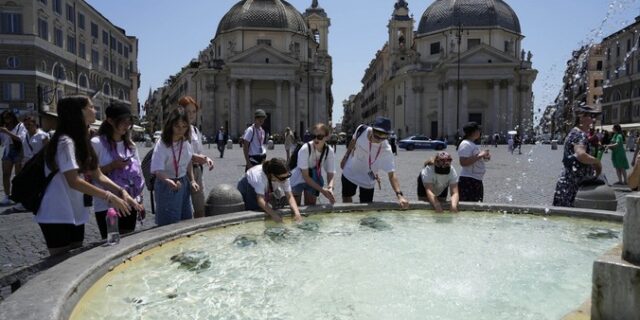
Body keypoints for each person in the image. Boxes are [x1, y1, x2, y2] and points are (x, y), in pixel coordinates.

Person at [36, 96, 140, 256]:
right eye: (91, 107)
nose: (95, 110)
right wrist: (109, 196)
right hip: (55, 212)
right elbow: (74, 181)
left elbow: (97, 174)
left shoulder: (83, 140)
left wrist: (122, 192)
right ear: (79, 112)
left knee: (75, 260)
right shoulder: (65, 141)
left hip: (76, 211)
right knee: (60, 265)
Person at [91, 103, 144, 239]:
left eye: (129, 121)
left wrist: (140, 199)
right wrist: (112, 166)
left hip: (130, 203)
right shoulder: (97, 143)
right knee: (111, 244)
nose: (127, 125)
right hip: (107, 205)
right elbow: (91, 173)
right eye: (123, 121)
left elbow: (138, 173)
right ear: (110, 120)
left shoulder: (130, 145)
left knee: (128, 243)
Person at [340, 116, 409, 209]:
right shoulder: (361, 129)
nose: (379, 139)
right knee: (347, 199)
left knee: (366, 209)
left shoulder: (386, 149)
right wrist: (345, 157)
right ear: (372, 129)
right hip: (350, 172)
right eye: (377, 133)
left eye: (384, 136)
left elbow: (392, 174)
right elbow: (353, 141)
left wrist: (399, 195)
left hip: (368, 179)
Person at [150, 108, 199, 226]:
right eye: (177, 126)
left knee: (185, 221)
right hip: (166, 185)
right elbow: (157, 169)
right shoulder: (162, 144)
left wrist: (192, 180)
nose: (180, 130)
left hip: (183, 183)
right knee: (169, 224)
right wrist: (167, 180)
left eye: (184, 126)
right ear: (170, 125)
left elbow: (187, 162)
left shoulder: (185, 142)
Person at [553, 106, 602, 207]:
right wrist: (597, 162)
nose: (594, 119)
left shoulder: (574, 132)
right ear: (581, 117)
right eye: (591, 116)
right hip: (574, 187)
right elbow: (581, 155)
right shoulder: (579, 135)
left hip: (567, 183)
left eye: (595, 116)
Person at [179, 96, 214, 218]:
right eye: (188, 111)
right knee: (185, 211)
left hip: (197, 170)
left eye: (193, 111)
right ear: (181, 111)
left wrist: (206, 158)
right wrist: (200, 158)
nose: (191, 114)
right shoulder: (178, 130)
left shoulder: (195, 130)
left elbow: (199, 151)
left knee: (200, 206)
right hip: (182, 172)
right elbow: (182, 153)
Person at [237, 158, 303, 222]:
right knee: (254, 209)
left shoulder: (284, 175)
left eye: (287, 177)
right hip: (248, 186)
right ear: (272, 175)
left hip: (266, 186)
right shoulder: (259, 176)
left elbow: (289, 196)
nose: (285, 180)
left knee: (270, 208)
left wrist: (297, 213)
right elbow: (260, 200)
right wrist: (274, 215)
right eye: (282, 178)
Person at [291, 123, 336, 206]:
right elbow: (305, 176)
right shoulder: (305, 149)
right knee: (295, 207)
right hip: (298, 179)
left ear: (326, 137)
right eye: (313, 136)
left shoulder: (329, 151)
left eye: (319, 137)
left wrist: (330, 188)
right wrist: (323, 191)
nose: (316, 139)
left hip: (313, 178)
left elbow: (331, 172)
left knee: (311, 207)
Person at [457, 122, 491, 202]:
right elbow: (463, 162)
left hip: (476, 179)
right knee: (469, 208)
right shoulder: (465, 144)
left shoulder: (472, 144)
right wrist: (480, 155)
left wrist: (485, 157)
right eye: (479, 130)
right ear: (473, 132)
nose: (480, 132)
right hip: (468, 180)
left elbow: (476, 159)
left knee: (476, 208)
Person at [0, 111, 27, 205]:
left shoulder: (20, 126)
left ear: (12, 117)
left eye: (8, 117)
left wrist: (6, 132)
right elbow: (2, 142)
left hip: (18, 150)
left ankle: (19, 195)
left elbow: (21, 139)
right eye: (4, 118)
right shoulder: (3, 126)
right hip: (7, 150)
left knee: (18, 175)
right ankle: (7, 196)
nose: (6, 119)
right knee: (5, 174)